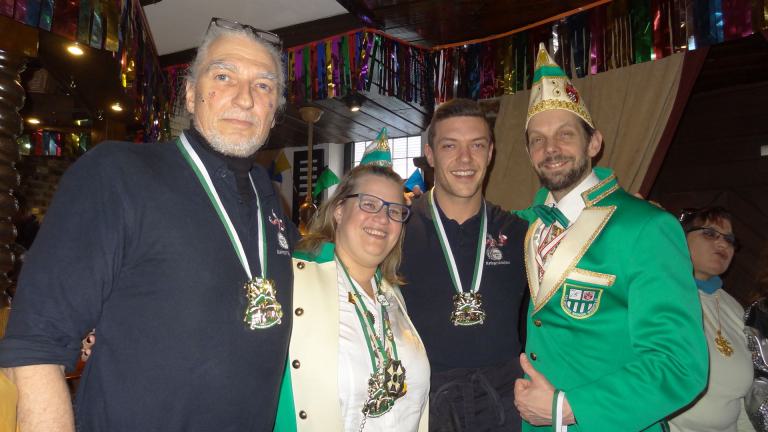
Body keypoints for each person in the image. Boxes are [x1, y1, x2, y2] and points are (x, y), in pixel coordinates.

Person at [0, 18, 296, 432]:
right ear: (190, 95)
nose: (245, 98)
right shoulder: (117, 173)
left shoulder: (271, 200)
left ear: (274, 110)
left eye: (263, 85)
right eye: (223, 76)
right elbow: (35, 346)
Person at [512, 44, 708, 431]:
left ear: (594, 143)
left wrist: (568, 408)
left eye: (565, 134)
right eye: (537, 139)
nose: (550, 149)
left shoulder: (647, 227)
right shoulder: (524, 226)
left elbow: (680, 363)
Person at [399, 98, 529, 431]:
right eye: (450, 146)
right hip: (423, 403)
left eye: (477, 145)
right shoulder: (396, 230)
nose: (465, 158)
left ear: (491, 153)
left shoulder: (520, 233)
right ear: (430, 154)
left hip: (505, 405)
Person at [274, 163, 429, 431]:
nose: (383, 219)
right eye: (369, 204)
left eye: (394, 211)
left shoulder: (393, 295)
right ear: (339, 209)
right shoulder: (292, 281)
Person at [669, 207, 755, 432]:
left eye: (729, 239)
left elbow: (741, 400)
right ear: (681, 238)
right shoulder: (660, 291)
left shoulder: (734, 308)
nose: (723, 244)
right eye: (709, 234)